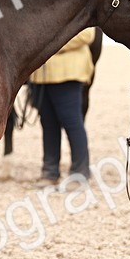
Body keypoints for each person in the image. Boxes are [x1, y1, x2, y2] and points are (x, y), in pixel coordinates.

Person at [28, 28, 96, 187]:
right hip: (42, 75)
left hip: (68, 73)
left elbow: (87, 35)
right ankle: (50, 171)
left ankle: (80, 172)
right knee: (48, 124)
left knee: (72, 122)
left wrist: (48, 43)